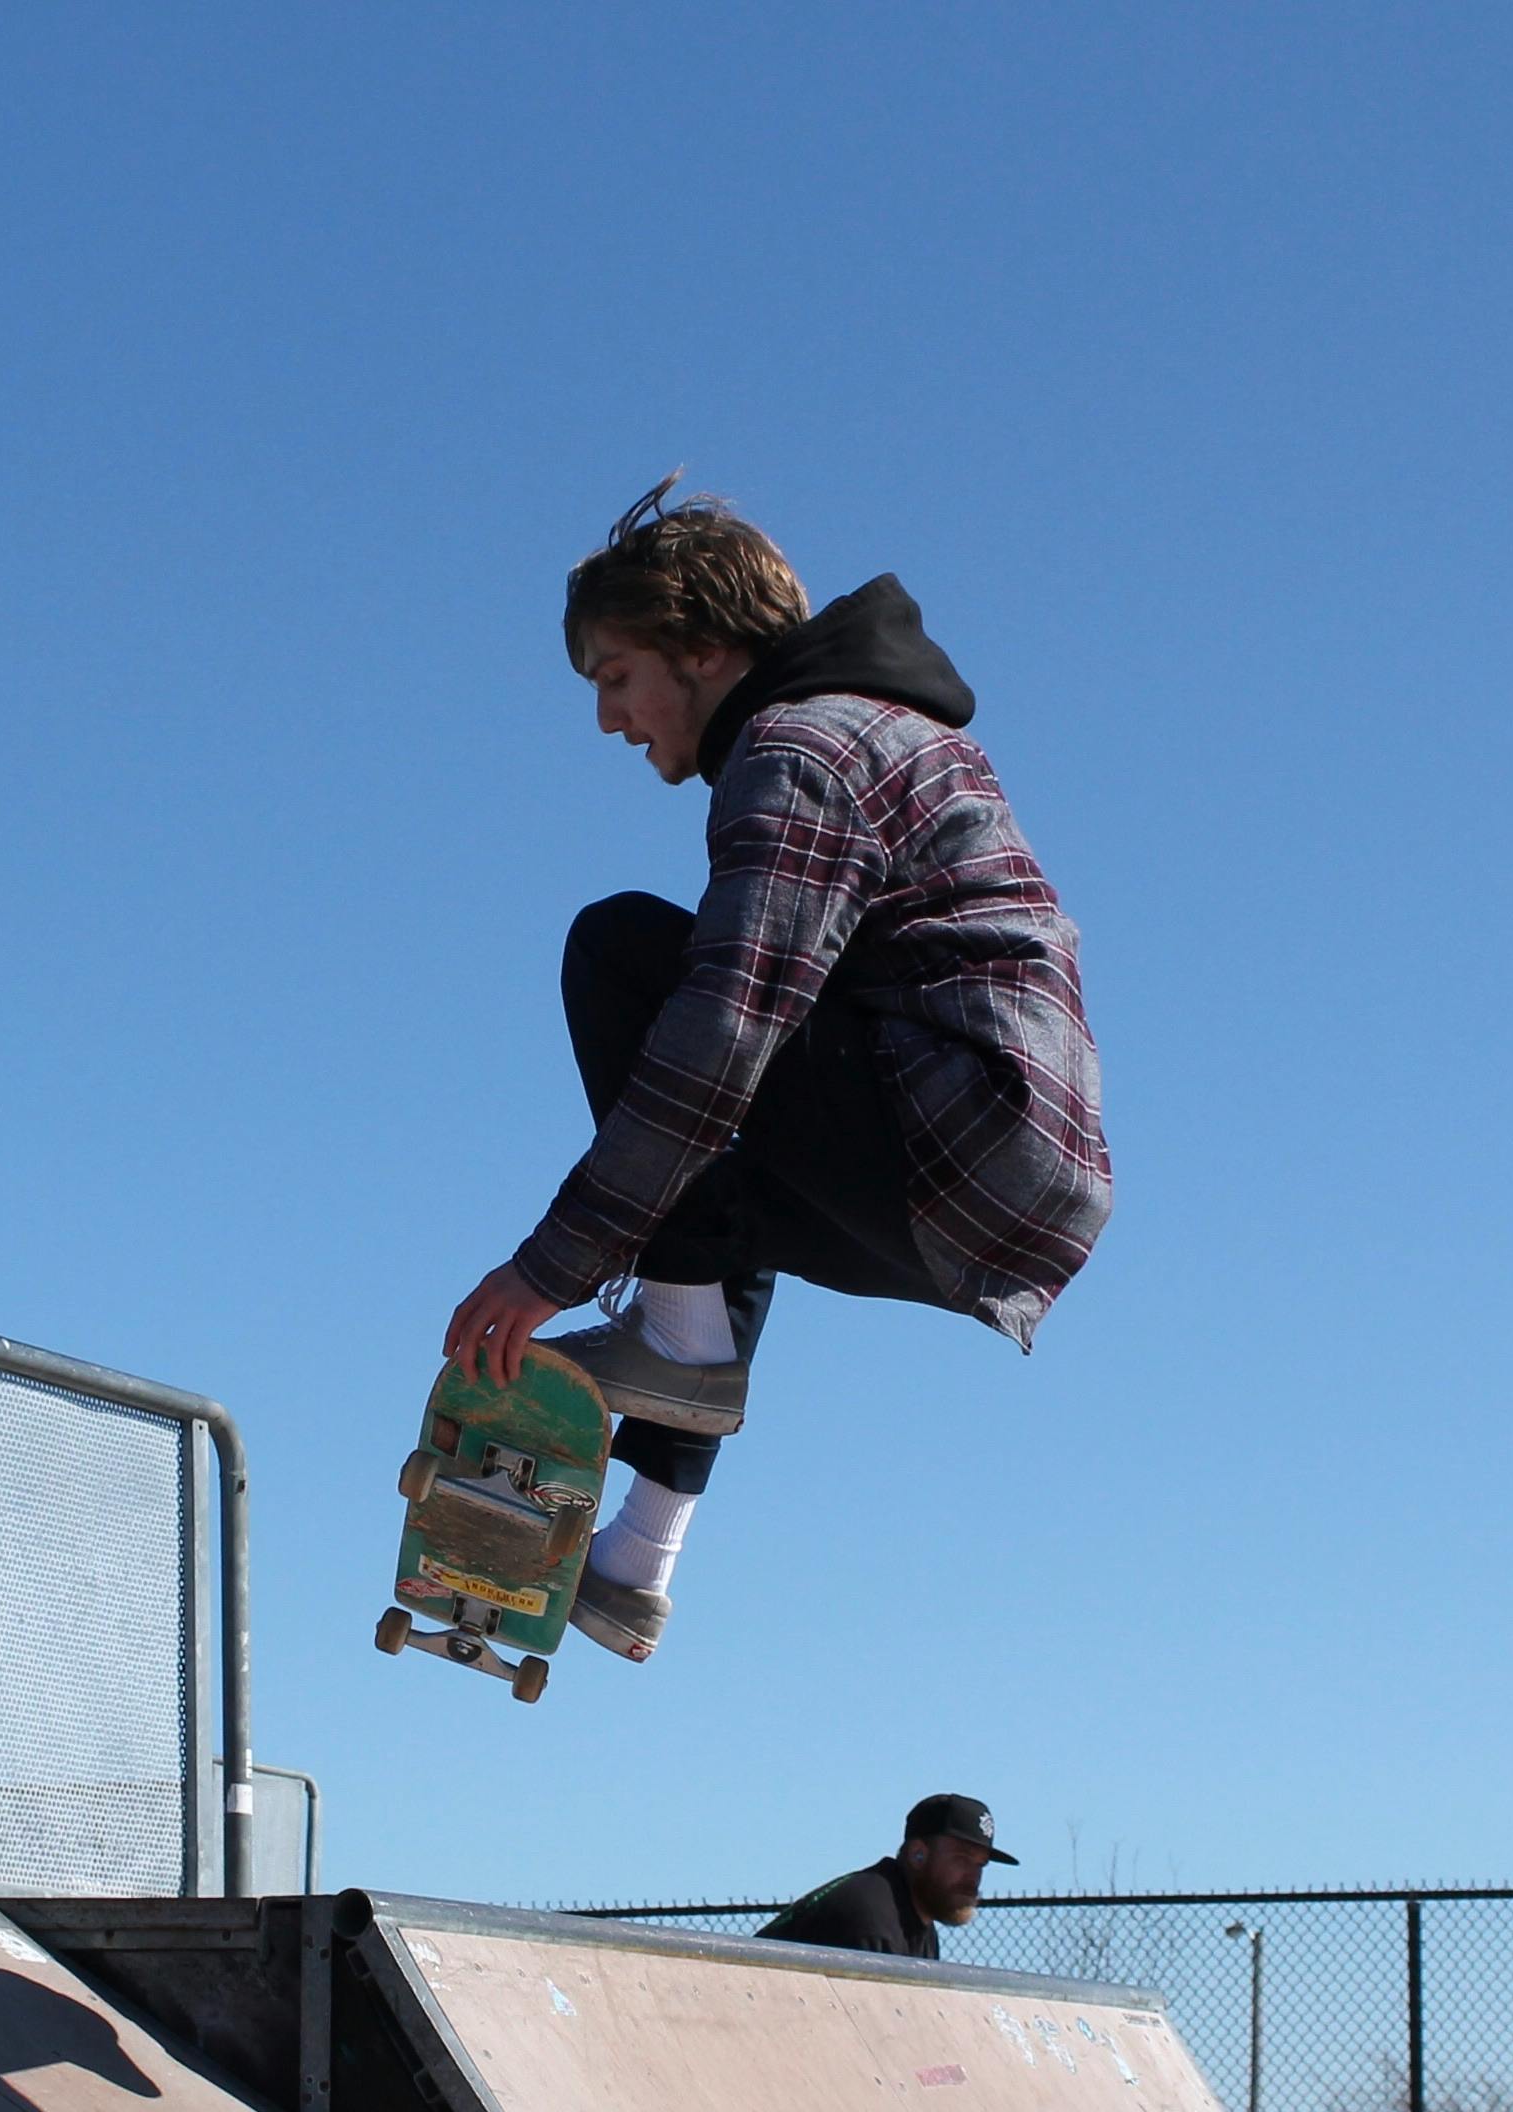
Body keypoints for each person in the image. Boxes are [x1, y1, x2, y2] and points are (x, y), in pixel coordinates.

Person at [443, 478, 1112, 1661]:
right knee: (710, 1187)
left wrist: (549, 1267)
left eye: (613, 677)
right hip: (988, 1180)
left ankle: (682, 1343)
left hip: (956, 1132)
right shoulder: (857, 730)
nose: (608, 720)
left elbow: (725, 1030)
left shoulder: (799, 746)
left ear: (700, 648)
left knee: (627, 955)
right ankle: (637, 1558)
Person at [755, 1793, 1016, 1960]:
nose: (974, 1877)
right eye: (962, 1859)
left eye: (981, 1865)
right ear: (918, 1855)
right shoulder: (872, 1917)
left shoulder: (917, 1925)